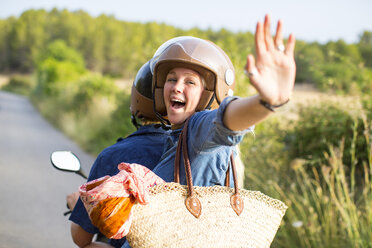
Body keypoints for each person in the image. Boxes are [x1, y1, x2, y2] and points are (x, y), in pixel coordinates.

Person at [151, 14, 295, 188]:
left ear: (209, 95)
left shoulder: (197, 130)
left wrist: (265, 103)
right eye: (172, 79)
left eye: (190, 82)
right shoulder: (175, 138)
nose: (177, 87)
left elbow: (227, 120)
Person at [68, 60, 169, 248]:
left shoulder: (113, 156)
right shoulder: (196, 154)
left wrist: (77, 206)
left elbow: (81, 238)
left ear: (138, 99)